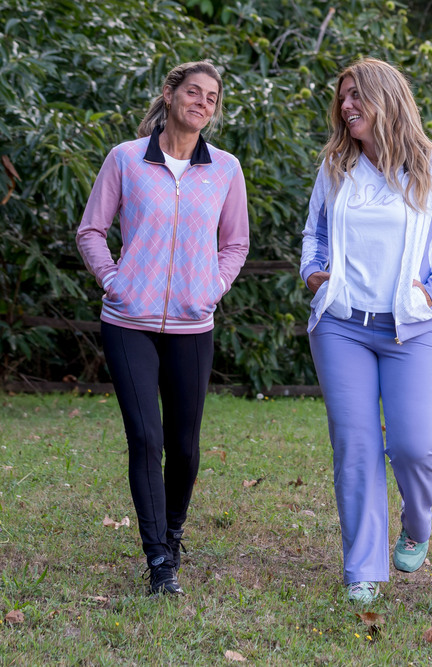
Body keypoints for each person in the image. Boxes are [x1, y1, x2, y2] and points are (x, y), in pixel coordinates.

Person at [300, 58, 432, 604]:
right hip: (341, 327)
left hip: (412, 329)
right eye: (342, 97)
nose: (346, 106)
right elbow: (314, 234)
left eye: (357, 95)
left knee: (413, 447)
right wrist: (313, 273)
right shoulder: (336, 165)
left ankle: (417, 524)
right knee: (355, 448)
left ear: (387, 99)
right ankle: (362, 569)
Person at [76, 61, 250, 595]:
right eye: (193, 92)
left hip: (193, 325)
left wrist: (212, 287)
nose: (202, 102)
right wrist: (113, 280)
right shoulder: (126, 159)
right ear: (170, 94)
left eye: (211, 97)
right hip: (128, 320)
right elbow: (91, 230)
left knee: (185, 446)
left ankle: (173, 533)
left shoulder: (225, 169)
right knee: (146, 438)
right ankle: (158, 561)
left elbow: (236, 243)